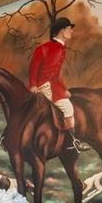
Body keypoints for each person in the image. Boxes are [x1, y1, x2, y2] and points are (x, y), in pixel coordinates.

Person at [28, 17, 88, 152]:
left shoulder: (61, 48)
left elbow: (56, 74)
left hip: (54, 86)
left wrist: (64, 89)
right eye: (69, 29)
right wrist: (33, 85)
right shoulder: (43, 48)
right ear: (61, 30)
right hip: (42, 86)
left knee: (68, 108)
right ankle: (72, 140)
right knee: (57, 110)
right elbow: (33, 68)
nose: (72, 31)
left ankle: (72, 141)